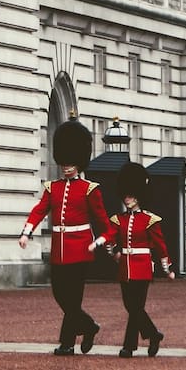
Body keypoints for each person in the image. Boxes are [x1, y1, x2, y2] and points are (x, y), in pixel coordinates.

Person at [19, 115, 110, 355]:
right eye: (64, 162)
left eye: (71, 162)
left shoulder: (90, 189)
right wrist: (27, 232)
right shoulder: (53, 188)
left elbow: (103, 221)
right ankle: (89, 326)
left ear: (79, 162)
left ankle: (68, 343)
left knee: (73, 299)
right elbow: (39, 210)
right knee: (60, 294)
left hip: (81, 250)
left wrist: (103, 241)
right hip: (59, 250)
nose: (66, 166)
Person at [89, 161, 175, 357]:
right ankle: (153, 334)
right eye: (126, 196)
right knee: (132, 307)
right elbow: (110, 235)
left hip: (143, 267)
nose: (127, 200)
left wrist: (167, 268)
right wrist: (105, 246)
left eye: (131, 196)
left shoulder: (150, 220)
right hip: (125, 268)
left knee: (135, 307)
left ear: (139, 196)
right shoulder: (119, 219)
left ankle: (129, 346)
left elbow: (161, 247)